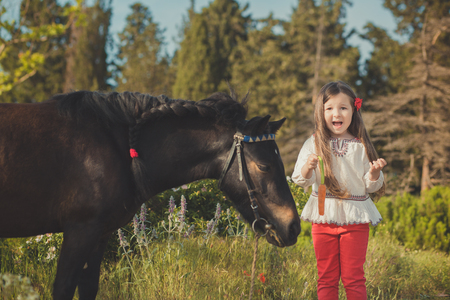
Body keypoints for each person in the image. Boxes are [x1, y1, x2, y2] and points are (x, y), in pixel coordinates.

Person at [292, 81, 386, 299]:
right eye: (330, 108)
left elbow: (371, 184)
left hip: (355, 220)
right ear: (320, 112)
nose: (337, 113)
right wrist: (309, 166)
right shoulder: (313, 143)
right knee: (326, 277)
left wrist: (373, 174)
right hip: (323, 217)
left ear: (354, 110)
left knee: (354, 278)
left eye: (343, 107)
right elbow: (300, 179)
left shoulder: (360, 145)